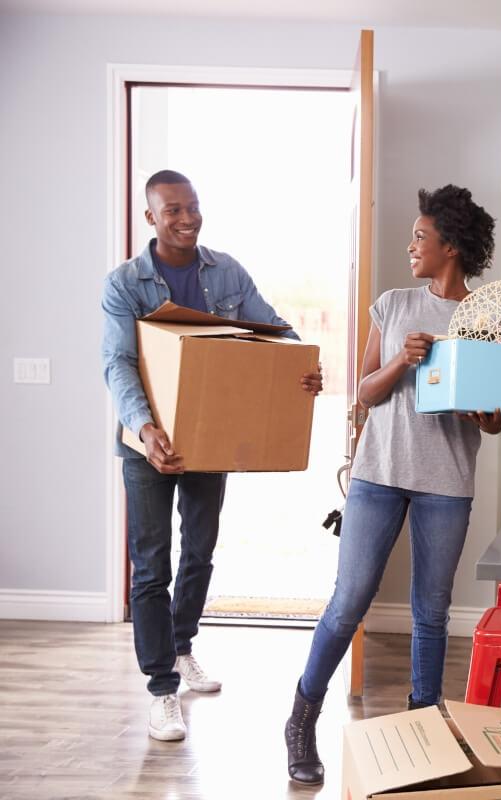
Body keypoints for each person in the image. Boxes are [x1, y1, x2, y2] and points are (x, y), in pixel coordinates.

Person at [284, 185, 501, 785]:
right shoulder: (391, 306)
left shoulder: (488, 319)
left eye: (420, 236)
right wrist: (400, 362)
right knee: (349, 600)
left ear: (451, 246)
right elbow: (362, 393)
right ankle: (303, 715)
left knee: (431, 611)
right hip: (378, 475)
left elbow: (493, 423)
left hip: (446, 482)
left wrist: (486, 414)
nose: (410, 245)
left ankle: (423, 728)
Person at [101, 170, 323, 742]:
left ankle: (181, 648)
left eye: (192, 207)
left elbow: (272, 329)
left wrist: (298, 365)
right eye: (172, 210)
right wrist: (147, 430)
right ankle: (160, 690)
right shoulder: (126, 283)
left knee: (199, 551)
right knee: (151, 565)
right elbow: (118, 363)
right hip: (148, 442)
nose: (186, 218)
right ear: (151, 217)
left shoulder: (225, 271)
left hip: (209, 436)